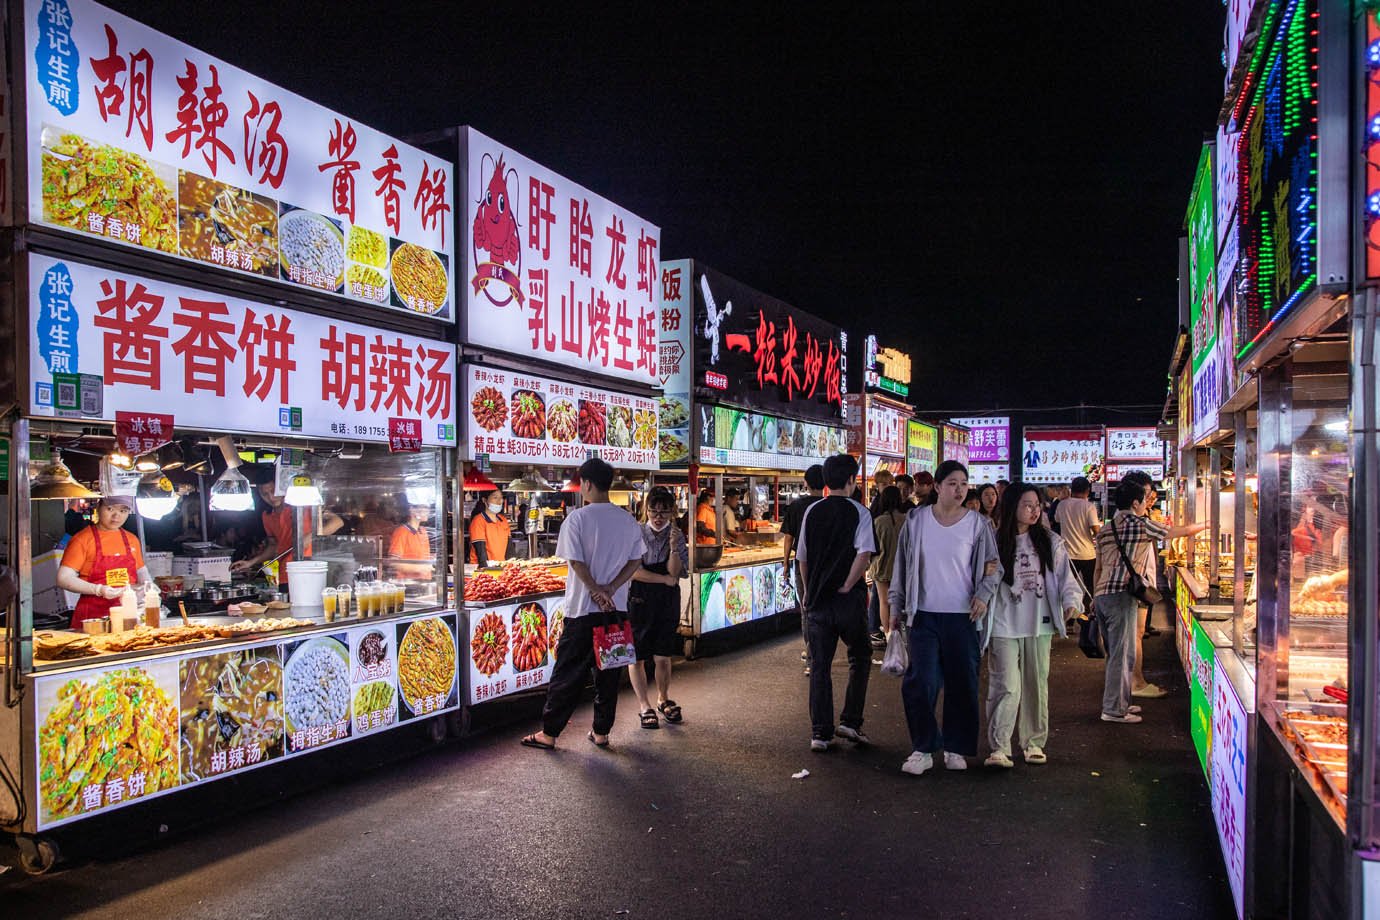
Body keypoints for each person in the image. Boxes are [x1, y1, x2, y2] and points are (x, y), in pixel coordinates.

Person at [522, 458, 646, 750]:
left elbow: (575, 562)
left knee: (568, 674)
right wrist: (611, 590)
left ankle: (549, 734)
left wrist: (594, 591)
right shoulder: (627, 520)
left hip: (582, 612)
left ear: (587, 484)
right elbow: (636, 560)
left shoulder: (576, 519)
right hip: (615, 611)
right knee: (608, 675)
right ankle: (601, 732)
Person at [888, 460, 1002, 775]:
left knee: (962, 684)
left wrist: (983, 593)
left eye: (964, 484)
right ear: (937, 487)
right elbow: (902, 567)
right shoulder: (917, 521)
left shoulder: (978, 525)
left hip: (963, 618)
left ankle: (955, 747)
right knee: (919, 682)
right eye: (952, 483)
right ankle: (923, 748)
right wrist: (895, 607)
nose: (959, 489)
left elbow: (994, 565)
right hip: (922, 616)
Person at [984, 484, 1083, 768]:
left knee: (1036, 684)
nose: (1035, 510)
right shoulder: (993, 541)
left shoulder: (1050, 542)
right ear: (1012, 506)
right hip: (1003, 624)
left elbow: (1066, 579)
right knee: (1007, 685)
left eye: (1037, 505)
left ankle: (1033, 743)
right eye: (1028, 504)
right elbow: (978, 577)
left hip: (1040, 624)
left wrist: (1070, 602)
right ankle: (999, 747)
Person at [1093, 479, 1206, 723]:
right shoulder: (1140, 525)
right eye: (1144, 500)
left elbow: (1098, 568)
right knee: (1121, 657)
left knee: (1117, 654)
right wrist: (1208, 524)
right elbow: (1178, 532)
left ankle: (1119, 703)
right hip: (1122, 596)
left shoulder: (1105, 529)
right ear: (1136, 503)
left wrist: (1094, 597)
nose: (1146, 504)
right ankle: (1113, 711)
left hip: (1103, 595)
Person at [797, 453, 875, 751]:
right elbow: (864, 554)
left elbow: (802, 557)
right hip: (848, 601)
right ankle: (850, 722)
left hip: (817, 600)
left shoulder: (812, 511)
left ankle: (820, 733)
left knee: (820, 665)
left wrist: (807, 590)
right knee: (860, 656)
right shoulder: (860, 512)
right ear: (851, 480)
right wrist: (848, 583)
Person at [628, 487, 689, 729]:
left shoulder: (677, 534)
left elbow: (676, 572)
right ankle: (644, 705)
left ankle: (663, 698)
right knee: (638, 656)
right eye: (653, 511)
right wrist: (663, 579)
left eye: (664, 512)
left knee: (663, 655)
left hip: (667, 601)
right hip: (641, 600)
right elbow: (634, 572)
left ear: (672, 512)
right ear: (646, 510)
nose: (658, 516)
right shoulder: (637, 534)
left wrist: (674, 546)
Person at [57, 495, 152, 629]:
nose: (116, 516)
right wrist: (99, 590)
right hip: (93, 618)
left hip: (128, 613)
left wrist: (150, 592)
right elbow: (64, 578)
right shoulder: (82, 539)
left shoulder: (132, 540)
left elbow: (142, 573)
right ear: (98, 507)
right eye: (110, 509)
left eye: (123, 511)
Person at [230, 479, 343, 582]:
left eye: (274, 491)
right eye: (265, 494)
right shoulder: (267, 516)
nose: (271, 497)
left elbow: (337, 521)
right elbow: (273, 546)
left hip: (308, 570)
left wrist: (311, 536)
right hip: (285, 574)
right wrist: (250, 563)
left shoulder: (304, 505)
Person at [782, 465, 826, 672]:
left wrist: (784, 564)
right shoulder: (829, 505)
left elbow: (789, 538)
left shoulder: (796, 507)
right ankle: (819, 653)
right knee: (823, 608)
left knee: (807, 610)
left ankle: (811, 656)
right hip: (826, 565)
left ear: (806, 483)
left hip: (802, 565)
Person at [1055, 476, 1101, 610]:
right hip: (1087, 553)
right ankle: (1089, 612)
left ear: (1071, 489)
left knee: (1067, 585)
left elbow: (1057, 520)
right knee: (1090, 586)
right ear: (1087, 490)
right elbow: (1096, 530)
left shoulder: (1062, 504)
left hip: (1067, 554)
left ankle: (1067, 614)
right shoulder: (1089, 506)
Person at [869, 486, 907, 641]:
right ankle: (901, 634)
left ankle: (888, 635)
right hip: (902, 569)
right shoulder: (907, 520)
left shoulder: (878, 521)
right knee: (901, 602)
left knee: (884, 602)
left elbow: (872, 547)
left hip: (882, 568)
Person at [388, 501, 433, 580]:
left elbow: (423, 556)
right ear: (412, 509)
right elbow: (394, 562)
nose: (428, 511)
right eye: (424, 507)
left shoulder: (423, 531)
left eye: (428, 508)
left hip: (424, 582)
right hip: (408, 585)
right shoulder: (401, 532)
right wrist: (420, 568)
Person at [468, 488, 511, 566]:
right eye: (495, 498)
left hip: (500, 566)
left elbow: (509, 547)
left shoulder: (503, 520)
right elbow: (480, 550)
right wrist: (486, 570)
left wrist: (511, 566)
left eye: (501, 498)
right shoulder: (478, 520)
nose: (499, 501)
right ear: (484, 500)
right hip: (482, 567)